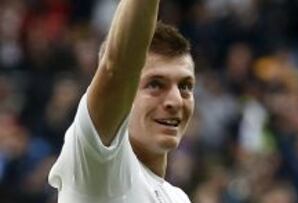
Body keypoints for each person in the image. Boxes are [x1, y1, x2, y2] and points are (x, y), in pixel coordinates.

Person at [48, 0, 195, 202]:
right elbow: (116, 68)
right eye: (155, 84)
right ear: (122, 96)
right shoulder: (99, 166)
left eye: (185, 86)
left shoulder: (178, 197)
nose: (176, 101)